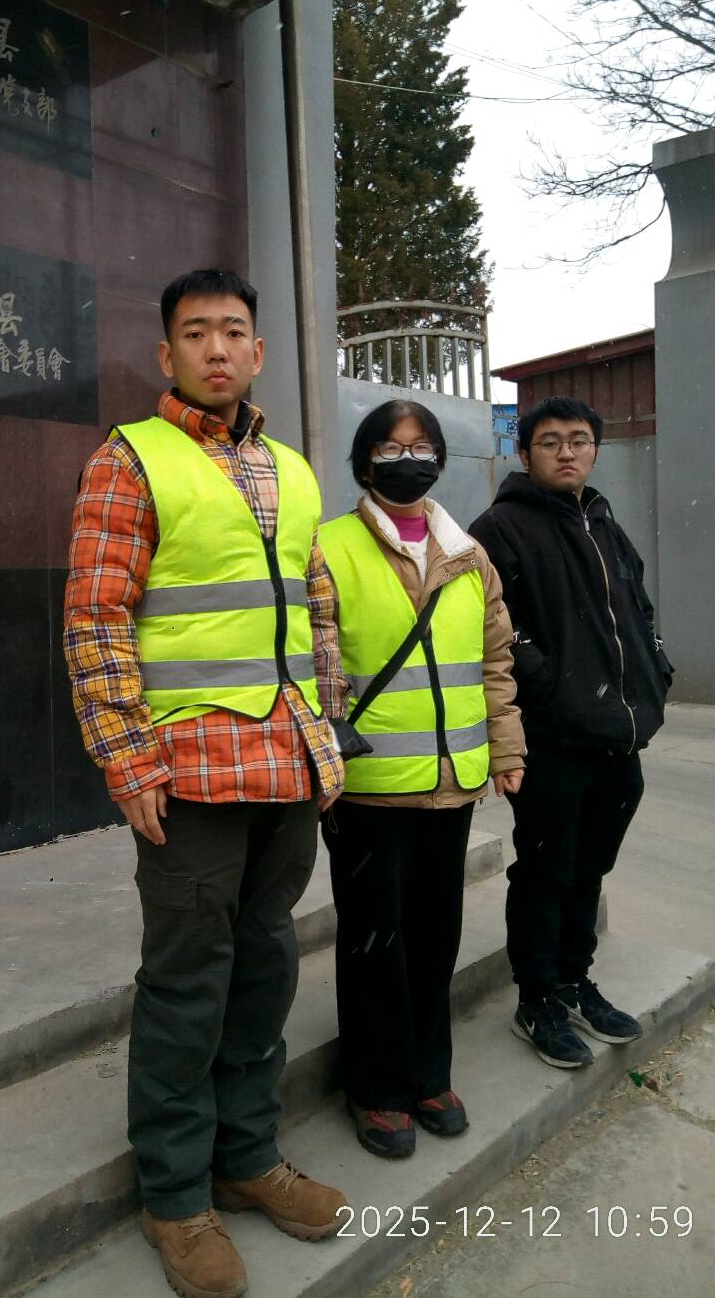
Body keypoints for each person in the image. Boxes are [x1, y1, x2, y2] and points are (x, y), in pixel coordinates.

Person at [64, 269, 349, 1298]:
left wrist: (325, 735)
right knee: (188, 986)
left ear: (258, 352)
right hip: (186, 776)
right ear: (167, 355)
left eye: (233, 332)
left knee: (265, 970)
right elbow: (96, 616)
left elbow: (315, 610)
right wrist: (126, 756)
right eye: (196, 334)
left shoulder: (292, 469)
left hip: (286, 767)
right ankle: (176, 1195)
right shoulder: (131, 459)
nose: (217, 349)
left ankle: (246, 1156)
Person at [318, 399, 525, 1159]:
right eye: (390, 447)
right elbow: (316, 661)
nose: (407, 460)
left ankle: (429, 1073)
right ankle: (377, 1086)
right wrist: (323, 759)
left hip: (451, 781)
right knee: (375, 939)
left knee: (436, 934)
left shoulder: (467, 553)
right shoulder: (329, 547)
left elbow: (495, 661)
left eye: (420, 447)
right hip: (367, 786)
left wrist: (506, 750)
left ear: (439, 459)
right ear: (363, 460)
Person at [469, 396, 673, 1069]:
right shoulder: (500, 528)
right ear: (524, 452)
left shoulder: (605, 523)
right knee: (546, 871)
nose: (566, 452)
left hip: (617, 735)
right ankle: (537, 999)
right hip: (551, 740)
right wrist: (551, 683)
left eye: (579, 440)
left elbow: (638, 607)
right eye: (550, 441)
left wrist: (657, 667)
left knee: (589, 869)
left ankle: (575, 980)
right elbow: (490, 625)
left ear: (594, 450)